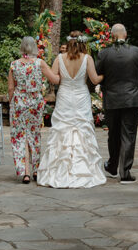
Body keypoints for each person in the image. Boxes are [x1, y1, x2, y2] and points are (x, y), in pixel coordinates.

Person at [39, 33, 106, 188]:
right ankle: (84, 170)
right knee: (82, 131)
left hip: (64, 96)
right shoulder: (87, 58)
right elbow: (95, 80)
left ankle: (58, 171)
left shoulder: (60, 58)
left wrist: (46, 69)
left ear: (68, 44)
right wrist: (105, 74)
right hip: (81, 97)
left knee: (62, 130)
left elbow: (55, 80)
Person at [97, 24, 138, 183]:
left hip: (112, 99)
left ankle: (113, 166)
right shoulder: (137, 52)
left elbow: (98, 75)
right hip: (131, 98)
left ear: (112, 36)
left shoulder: (104, 53)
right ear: (125, 35)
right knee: (128, 134)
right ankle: (125, 172)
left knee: (113, 134)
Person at [8, 37, 59, 182]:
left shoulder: (14, 64)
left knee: (20, 136)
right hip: (35, 102)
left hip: (19, 102)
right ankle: (35, 169)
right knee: (34, 134)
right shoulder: (39, 63)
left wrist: (13, 103)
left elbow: (11, 88)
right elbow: (54, 79)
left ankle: (25, 171)